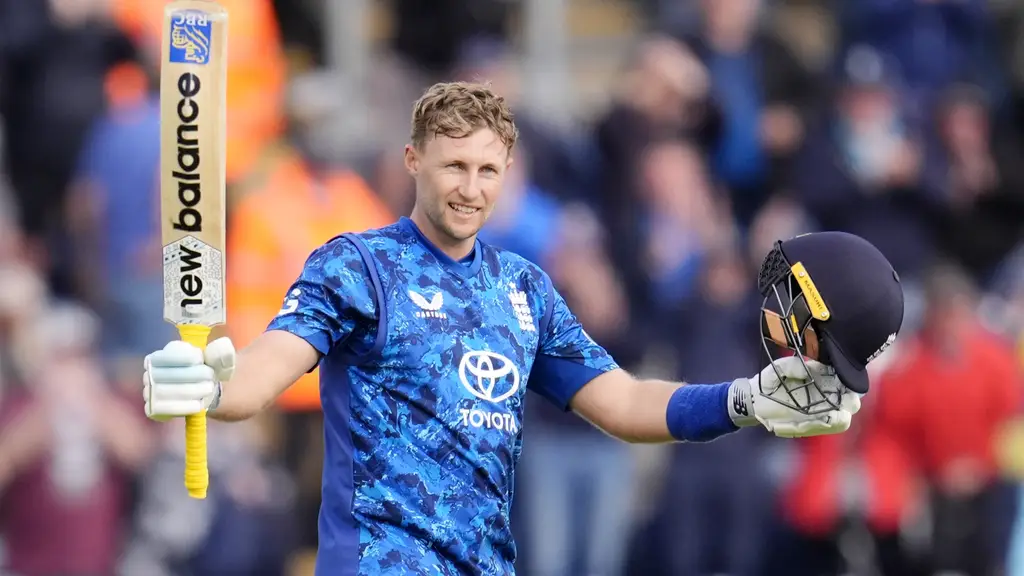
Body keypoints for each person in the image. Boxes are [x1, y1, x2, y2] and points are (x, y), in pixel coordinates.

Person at [141, 82, 903, 575]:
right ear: (412, 161)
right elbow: (267, 370)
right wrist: (211, 385)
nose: (470, 189)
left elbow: (624, 403)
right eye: (453, 167)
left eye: (487, 170)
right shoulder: (357, 267)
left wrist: (744, 400)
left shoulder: (524, 290)